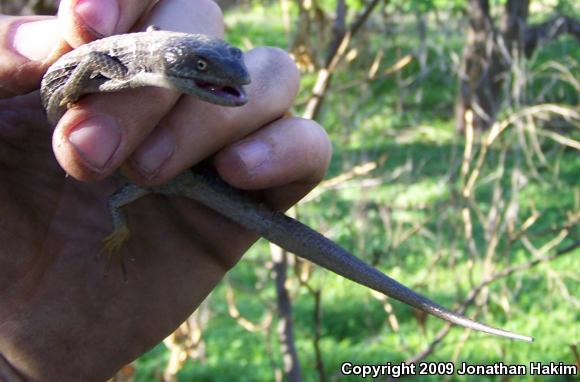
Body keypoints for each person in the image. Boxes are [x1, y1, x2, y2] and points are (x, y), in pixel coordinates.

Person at [0, 0, 331, 380]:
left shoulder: (152, 61)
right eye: (202, 68)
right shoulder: (125, 63)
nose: (232, 77)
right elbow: (93, 64)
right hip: (64, 131)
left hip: (123, 173)